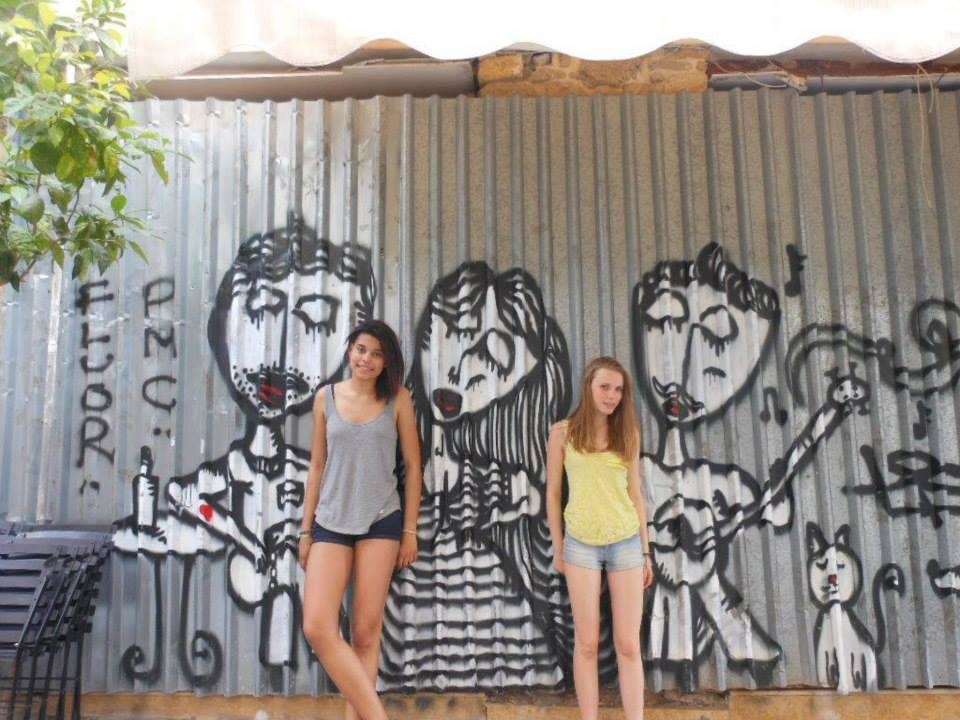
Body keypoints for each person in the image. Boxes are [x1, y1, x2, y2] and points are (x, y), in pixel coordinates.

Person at [300, 319, 422, 720]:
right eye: (361, 349)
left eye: (377, 354)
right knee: (318, 626)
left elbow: (413, 466)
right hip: (331, 522)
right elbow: (316, 466)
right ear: (350, 350)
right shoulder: (325, 398)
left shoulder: (398, 399)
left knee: (366, 635)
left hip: (381, 521)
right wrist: (305, 531)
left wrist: (410, 530)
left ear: (387, 362)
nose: (366, 359)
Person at [546, 356, 654, 720]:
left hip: (625, 542)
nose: (611, 396)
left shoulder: (628, 434)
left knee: (628, 644)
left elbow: (636, 494)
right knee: (588, 643)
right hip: (580, 545)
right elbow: (553, 494)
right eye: (604, 387)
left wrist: (646, 552)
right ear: (588, 387)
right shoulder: (562, 433)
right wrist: (558, 546)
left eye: (618, 390)